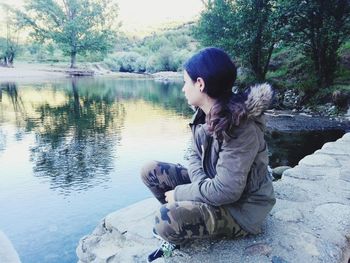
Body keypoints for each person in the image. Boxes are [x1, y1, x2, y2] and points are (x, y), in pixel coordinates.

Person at [141, 47, 276, 262]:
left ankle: (180, 227)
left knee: (165, 219)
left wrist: (180, 194)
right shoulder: (203, 114)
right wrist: (200, 189)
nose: (183, 89)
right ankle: (192, 215)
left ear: (200, 84)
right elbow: (193, 156)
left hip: (242, 209)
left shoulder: (242, 128)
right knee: (150, 171)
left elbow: (226, 191)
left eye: (186, 82)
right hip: (214, 185)